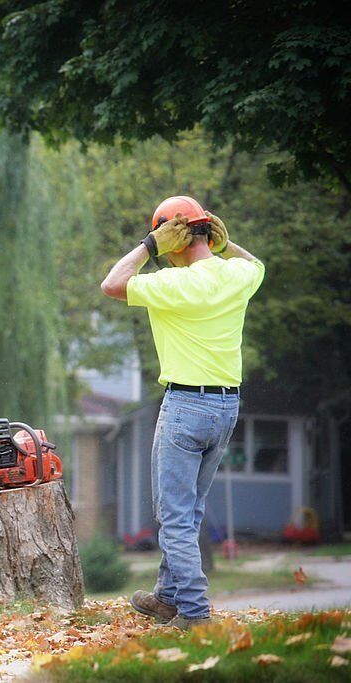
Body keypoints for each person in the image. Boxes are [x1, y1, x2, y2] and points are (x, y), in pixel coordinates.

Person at [99, 196, 264, 630]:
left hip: (186, 407)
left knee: (173, 515)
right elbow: (259, 266)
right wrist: (228, 247)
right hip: (226, 408)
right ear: (210, 233)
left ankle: (194, 612)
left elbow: (112, 284)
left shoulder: (173, 285)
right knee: (188, 511)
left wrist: (147, 246)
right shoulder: (236, 275)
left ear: (171, 240)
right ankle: (167, 597)